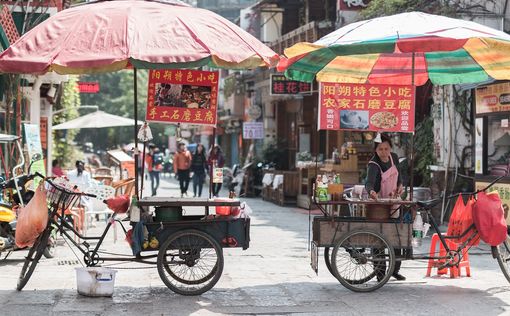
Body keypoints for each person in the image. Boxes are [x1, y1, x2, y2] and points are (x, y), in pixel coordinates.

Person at [365, 133, 405, 281]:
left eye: (386, 148)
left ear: (390, 148)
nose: (384, 152)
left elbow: (400, 177)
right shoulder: (373, 164)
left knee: (396, 235)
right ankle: (380, 272)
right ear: (375, 150)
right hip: (379, 205)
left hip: (393, 202)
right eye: (380, 149)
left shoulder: (394, 158)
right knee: (379, 238)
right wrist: (372, 192)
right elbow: (368, 183)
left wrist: (400, 186)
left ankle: (394, 269)